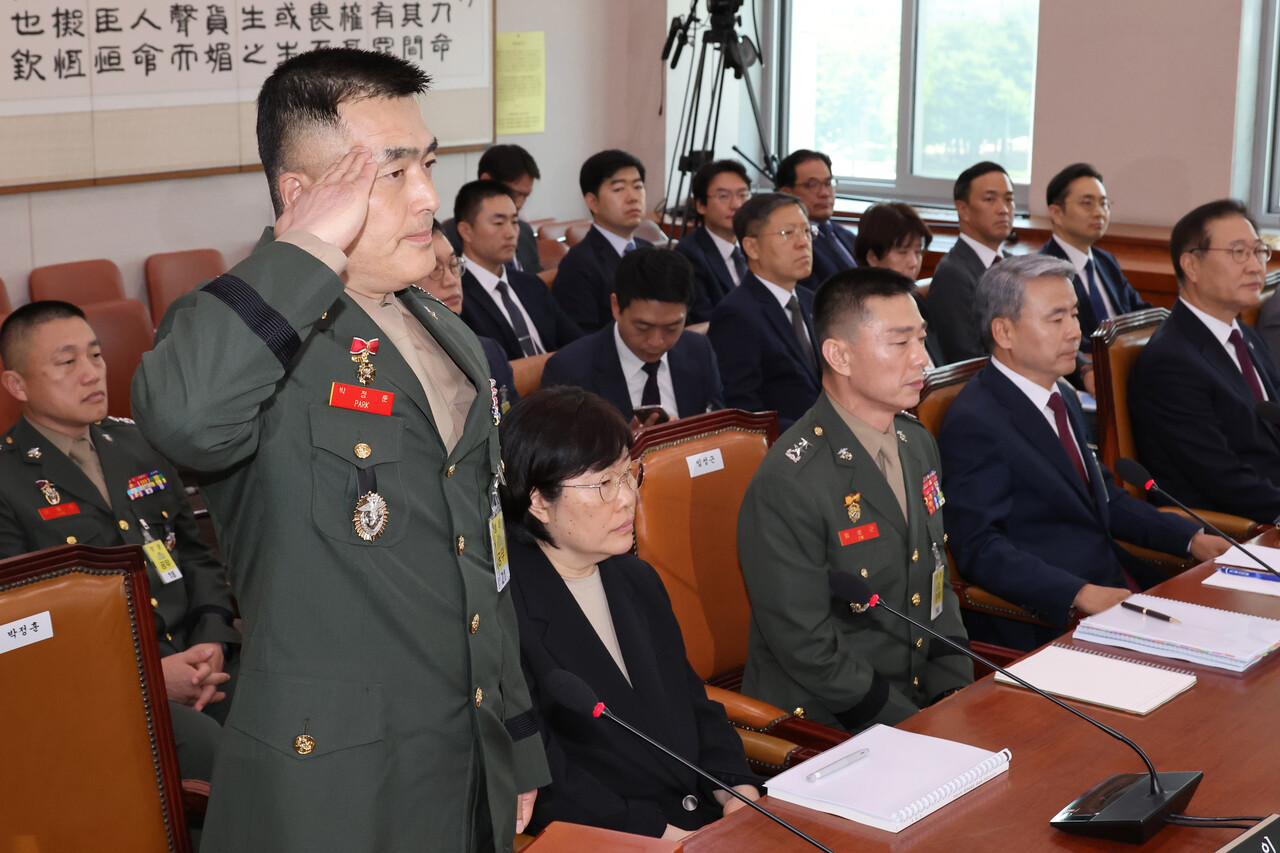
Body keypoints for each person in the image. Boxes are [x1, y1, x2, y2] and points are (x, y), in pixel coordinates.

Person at [130, 48, 549, 852]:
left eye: (427, 164)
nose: (429, 195)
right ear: (304, 197)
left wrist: (516, 733)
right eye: (392, 172)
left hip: (464, 761)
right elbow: (185, 417)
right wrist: (302, 254)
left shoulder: (445, 331)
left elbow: (485, 558)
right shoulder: (247, 328)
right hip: (332, 790)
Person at [499, 387, 760, 840]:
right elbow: (546, 777)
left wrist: (736, 790)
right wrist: (664, 835)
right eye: (604, 484)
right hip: (617, 838)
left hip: (703, 822)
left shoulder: (636, 579)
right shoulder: (504, 614)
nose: (627, 498)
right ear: (538, 501)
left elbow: (693, 704)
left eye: (627, 473)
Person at [0, 301, 239, 782]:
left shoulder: (138, 444)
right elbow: (19, 630)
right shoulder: (7, 481)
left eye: (95, 355)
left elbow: (194, 556)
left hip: (197, 659)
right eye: (67, 362)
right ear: (18, 385)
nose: (91, 373)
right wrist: (147, 678)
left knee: (298, 713)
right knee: (224, 758)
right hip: (98, 690)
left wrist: (213, 638)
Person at [937, 256, 1228, 651]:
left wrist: (1190, 538)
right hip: (1054, 617)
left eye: (1074, 314)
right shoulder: (977, 421)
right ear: (1004, 331)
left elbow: (1103, 499)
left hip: (1117, 582)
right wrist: (1078, 593)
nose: (1075, 332)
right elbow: (980, 549)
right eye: (1056, 319)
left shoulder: (1062, 395)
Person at [737, 267, 973, 732]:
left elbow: (935, 580)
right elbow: (807, 647)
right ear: (839, 356)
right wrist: (912, 728)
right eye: (900, 342)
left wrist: (952, 694)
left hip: (918, 706)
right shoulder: (790, 481)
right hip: (829, 723)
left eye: (921, 339)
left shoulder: (916, 443)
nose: (922, 359)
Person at [1129, 199, 1280, 525]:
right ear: (1191, 265)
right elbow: (1224, 482)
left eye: (1258, 251)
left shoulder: (1246, 336)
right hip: (1235, 528)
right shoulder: (1170, 362)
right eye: (1239, 252)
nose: (1255, 266)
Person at [542, 247, 723, 425]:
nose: (656, 342)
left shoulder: (699, 350)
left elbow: (721, 427)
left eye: (671, 328)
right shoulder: (569, 371)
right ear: (616, 306)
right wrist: (624, 442)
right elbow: (561, 444)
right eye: (643, 327)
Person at [707, 193, 822, 430]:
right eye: (787, 233)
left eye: (807, 231)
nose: (803, 242)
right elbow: (743, 411)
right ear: (752, 247)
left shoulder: (812, 301)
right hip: (787, 444)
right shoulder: (736, 315)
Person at [455, 179, 582, 361]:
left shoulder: (531, 284)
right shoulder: (455, 295)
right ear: (466, 231)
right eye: (499, 223)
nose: (511, 233)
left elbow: (577, 343)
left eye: (514, 222)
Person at [1038, 163, 1150, 350]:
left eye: (1104, 203)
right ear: (1056, 213)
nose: (1099, 213)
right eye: (1087, 203)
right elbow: (1060, 341)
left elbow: (1138, 311)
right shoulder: (1044, 271)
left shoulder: (1106, 261)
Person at [553, 150, 654, 333]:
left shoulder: (650, 251)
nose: (633, 197)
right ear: (593, 202)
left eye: (638, 187)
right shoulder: (578, 265)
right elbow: (582, 340)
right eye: (619, 189)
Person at [421, 221, 518, 409]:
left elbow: (515, 423)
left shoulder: (490, 351)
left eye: (453, 265)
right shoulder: (406, 365)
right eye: (434, 268)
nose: (451, 280)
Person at [927, 162, 1015, 364]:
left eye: (1009, 199)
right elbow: (967, 359)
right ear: (963, 209)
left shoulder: (1015, 264)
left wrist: (1084, 368)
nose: (1003, 209)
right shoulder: (952, 275)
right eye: (990, 199)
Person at [853, 201, 942, 367]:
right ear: (872, 258)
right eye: (902, 252)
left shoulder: (915, 300)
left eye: (918, 252)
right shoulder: (861, 312)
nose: (913, 262)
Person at [442, 143, 544, 274]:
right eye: (515, 194)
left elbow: (536, 279)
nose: (520, 204)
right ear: (486, 181)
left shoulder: (524, 231)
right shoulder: (447, 240)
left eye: (526, 196)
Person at [674, 159, 752, 320]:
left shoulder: (756, 244)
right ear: (701, 205)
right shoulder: (688, 255)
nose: (736, 205)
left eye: (743, 195)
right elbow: (702, 317)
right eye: (724, 196)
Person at [775, 149, 857, 292]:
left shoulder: (846, 235)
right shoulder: (792, 245)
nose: (824, 193)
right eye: (811, 185)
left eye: (828, 183)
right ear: (787, 193)